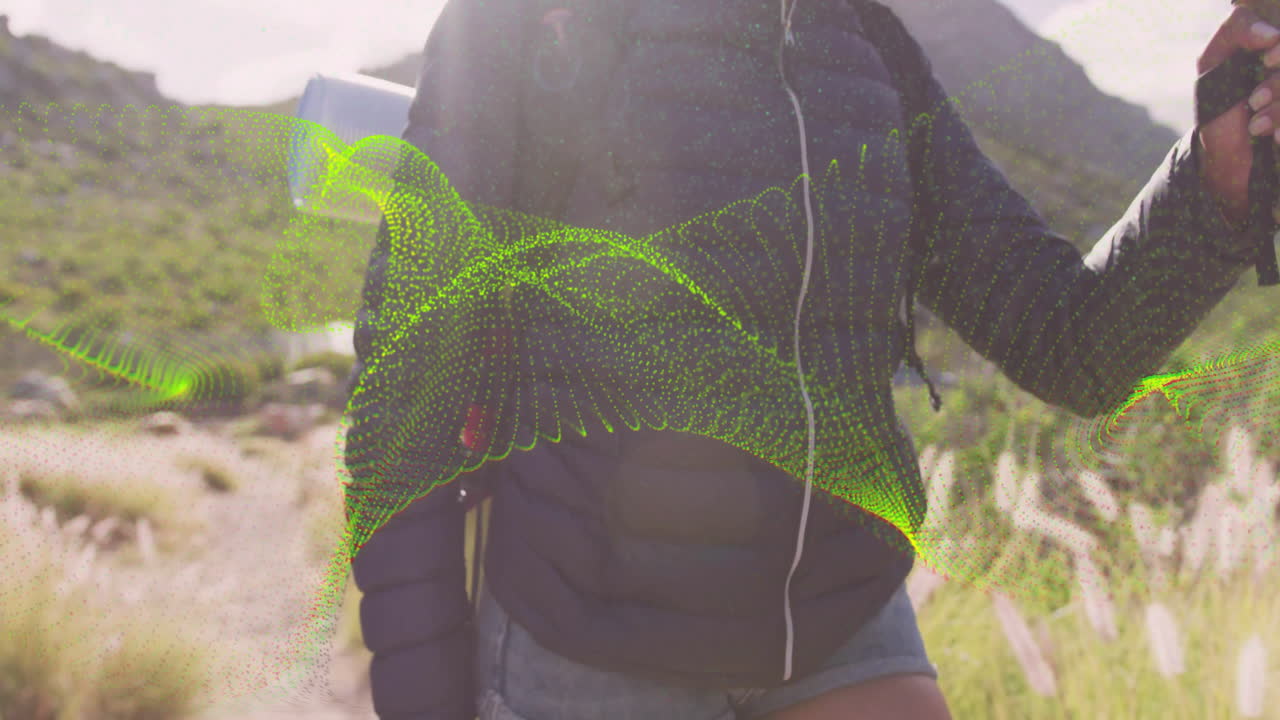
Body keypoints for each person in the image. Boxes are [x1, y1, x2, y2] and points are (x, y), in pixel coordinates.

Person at [343, 1, 1278, 718]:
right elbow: (410, 372)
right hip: (587, 636)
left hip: (838, 610)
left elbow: (1068, 344)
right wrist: (423, 687)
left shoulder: (863, 44)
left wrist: (1215, 176)